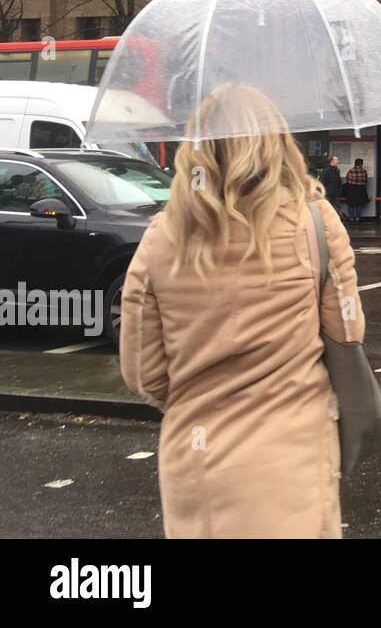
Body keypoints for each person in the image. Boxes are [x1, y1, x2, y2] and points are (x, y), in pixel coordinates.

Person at [119, 84, 364, 538]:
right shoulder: (316, 221)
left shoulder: (161, 236)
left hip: (197, 464)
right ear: (275, 144)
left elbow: (143, 374)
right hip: (294, 457)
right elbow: (347, 333)